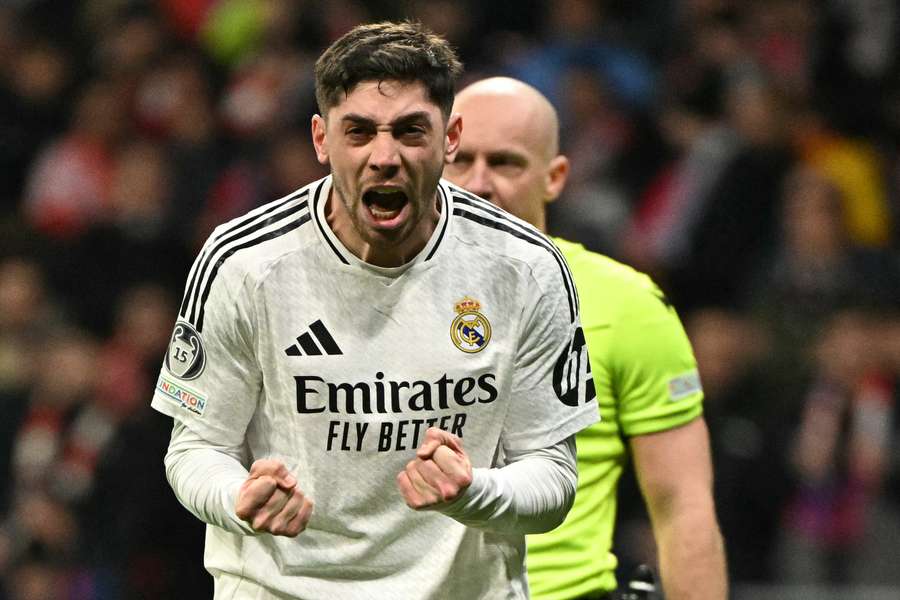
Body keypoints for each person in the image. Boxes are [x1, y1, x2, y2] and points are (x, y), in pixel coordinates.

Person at [152, 23, 599, 600]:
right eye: (358, 131)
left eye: (411, 131)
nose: (384, 157)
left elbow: (554, 477)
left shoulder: (525, 266)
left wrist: (472, 492)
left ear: (450, 137)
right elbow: (195, 450)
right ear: (321, 139)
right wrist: (236, 499)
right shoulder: (244, 263)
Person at [445, 77, 727, 600]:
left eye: (506, 163)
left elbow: (682, 506)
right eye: (461, 161)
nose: (479, 183)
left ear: (554, 178)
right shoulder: (375, 300)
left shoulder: (627, 306)